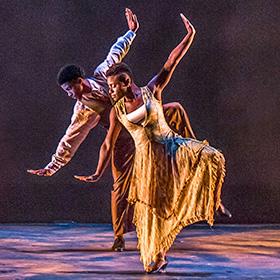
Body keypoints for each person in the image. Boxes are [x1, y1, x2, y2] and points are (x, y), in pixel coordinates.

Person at [27, 9, 197, 251]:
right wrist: (53, 166)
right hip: (121, 138)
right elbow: (71, 138)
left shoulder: (103, 73)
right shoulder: (83, 111)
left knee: (173, 116)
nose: (68, 94)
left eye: (68, 89)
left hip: (144, 125)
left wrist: (131, 32)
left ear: (78, 81)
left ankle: (186, 164)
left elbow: (116, 51)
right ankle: (119, 236)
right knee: (120, 187)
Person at [75, 14, 231, 273]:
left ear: (126, 82)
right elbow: (107, 144)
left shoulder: (151, 90)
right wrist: (97, 172)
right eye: (110, 87)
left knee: (212, 157)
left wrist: (189, 37)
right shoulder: (117, 111)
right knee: (155, 210)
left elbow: (171, 62)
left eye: (114, 86)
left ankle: (214, 201)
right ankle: (159, 256)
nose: (110, 91)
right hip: (149, 162)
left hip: (171, 147)